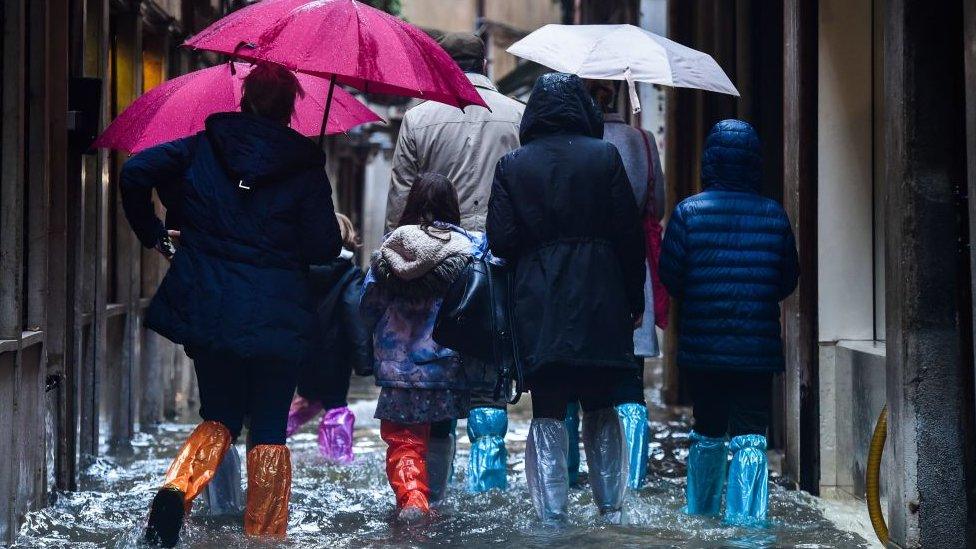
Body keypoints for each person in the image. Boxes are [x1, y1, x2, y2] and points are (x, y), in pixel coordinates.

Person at [120, 62, 341, 546]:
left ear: (243, 100)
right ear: (290, 111)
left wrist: (155, 234)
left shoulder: (203, 146)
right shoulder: (305, 166)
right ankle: (263, 537)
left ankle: (176, 490)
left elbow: (135, 172)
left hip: (211, 306)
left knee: (218, 415)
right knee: (267, 428)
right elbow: (325, 248)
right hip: (278, 315)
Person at [486, 73, 646, 524]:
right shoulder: (606, 157)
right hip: (602, 295)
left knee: (549, 407)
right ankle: (612, 509)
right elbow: (628, 236)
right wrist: (634, 300)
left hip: (539, 302)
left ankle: (552, 517)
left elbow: (500, 241)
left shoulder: (513, 165)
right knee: (601, 401)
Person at [386, 31, 524, 495]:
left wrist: (395, 266)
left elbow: (400, 205)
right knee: (489, 384)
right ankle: (490, 497)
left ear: (442, 65)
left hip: (431, 265)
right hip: (495, 267)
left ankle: (436, 499)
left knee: (436, 387)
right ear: (485, 63)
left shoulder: (418, 118)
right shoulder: (517, 116)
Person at [659, 119, 799, 526]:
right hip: (756, 350)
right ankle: (748, 523)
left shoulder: (688, 212)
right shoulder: (774, 215)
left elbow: (671, 276)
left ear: (710, 161)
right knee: (752, 430)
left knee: (708, 427)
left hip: (704, 346)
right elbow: (787, 279)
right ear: (755, 163)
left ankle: (701, 513)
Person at [561, 80, 668, 490]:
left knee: (569, 378)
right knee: (629, 379)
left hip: (576, 270)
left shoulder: (569, 144)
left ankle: (567, 477)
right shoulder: (640, 140)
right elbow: (653, 204)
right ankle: (632, 479)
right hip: (629, 267)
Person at [363, 173, 488, 522]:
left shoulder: (392, 248)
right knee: (442, 430)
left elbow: (368, 305)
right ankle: (435, 499)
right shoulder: (471, 249)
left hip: (398, 367)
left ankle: (413, 498)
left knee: (403, 436)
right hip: (448, 362)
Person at [286, 213, 373, 464]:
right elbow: (354, 317)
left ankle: (267, 436)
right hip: (335, 357)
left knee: (308, 397)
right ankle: (337, 459)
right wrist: (365, 363)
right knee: (336, 406)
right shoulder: (350, 275)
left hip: (301, 353)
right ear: (349, 240)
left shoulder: (300, 270)